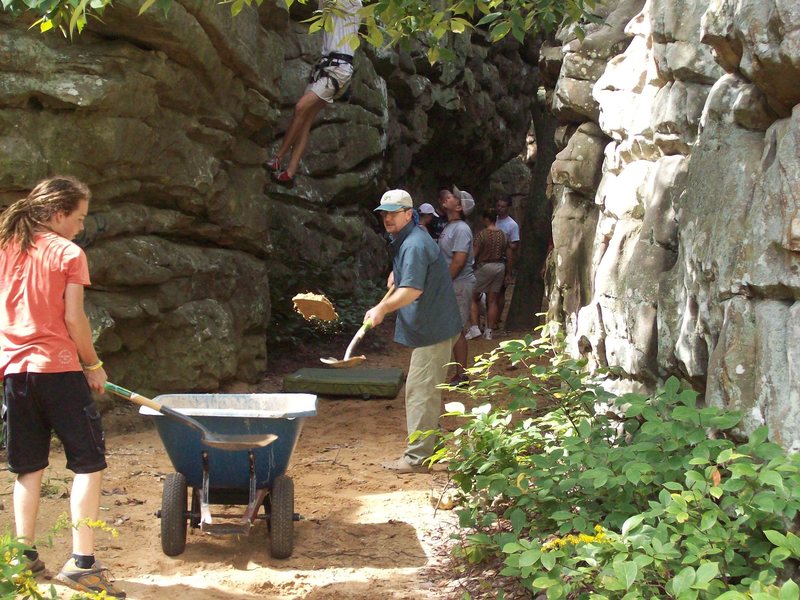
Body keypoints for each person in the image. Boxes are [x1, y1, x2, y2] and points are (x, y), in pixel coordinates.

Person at [0, 177, 125, 598]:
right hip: (58, 370)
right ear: (58, 214)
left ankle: (22, 556)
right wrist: (93, 364)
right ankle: (83, 564)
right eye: (79, 217)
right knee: (89, 463)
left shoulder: (6, 246)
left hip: (15, 373)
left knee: (27, 466)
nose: (80, 227)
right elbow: (74, 319)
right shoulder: (69, 253)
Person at [364, 190, 462, 474]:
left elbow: (412, 290)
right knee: (428, 392)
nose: (387, 218)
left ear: (409, 213)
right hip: (437, 328)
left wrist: (382, 309)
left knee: (420, 392)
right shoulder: (410, 239)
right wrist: (400, 272)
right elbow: (412, 277)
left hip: (434, 331)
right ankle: (437, 452)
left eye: (393, 213)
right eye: (384, 213)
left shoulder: (414, 244)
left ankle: (417, 459)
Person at [265, 0, 363, 187]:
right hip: (326, 67)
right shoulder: (327, 3)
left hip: (338, 69)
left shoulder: (353, 3)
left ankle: (278, 157)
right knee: (306, 119)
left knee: (301, 107)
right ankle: (290, 173)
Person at [438, 186, 476, 386]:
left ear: (459, 206)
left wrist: (442, 284)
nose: (449, 196)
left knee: (457, 328)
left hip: (459, 284)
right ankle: (457, 372)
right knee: (453, 327)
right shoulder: (449, 227)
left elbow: (459, 260)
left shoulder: (461, 229)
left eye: (453, 196)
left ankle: (462, 374)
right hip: (452, 283)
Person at [465, 208, 507, 341]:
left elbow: (474, 254)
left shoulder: (482, 235)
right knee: (492, 299)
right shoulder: (503, 234)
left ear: (486, 219)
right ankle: (489, 331)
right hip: (500, 266)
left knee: (472, 296)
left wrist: (470, 266)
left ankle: (474, 328)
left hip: (484, 266)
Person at [495, 196, 521, 324]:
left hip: (504, 260)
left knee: (500, 292)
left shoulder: (512, 225)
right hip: (491, 259)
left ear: (508, 208)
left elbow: (515, 245)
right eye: (498, 206)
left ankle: (497, 318)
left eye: (503, 206)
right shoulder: (493, 220)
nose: (499, 209)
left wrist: (503, 241)